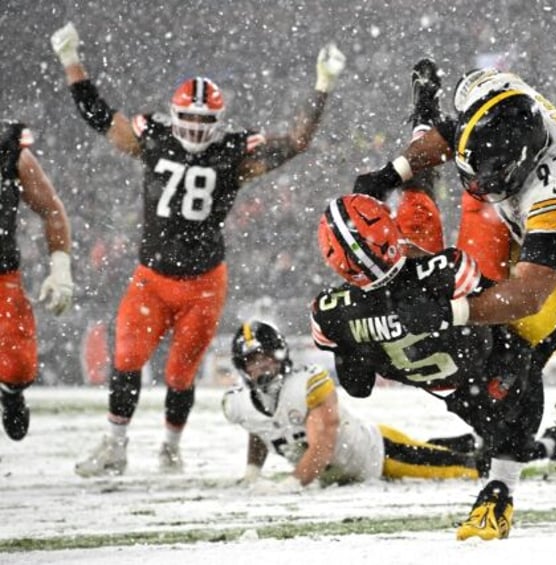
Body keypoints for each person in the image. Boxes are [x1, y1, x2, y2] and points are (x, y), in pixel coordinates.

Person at [350, 66, 556, 540]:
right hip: (522, 224)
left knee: (516, 354)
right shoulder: (498, 101)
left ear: (522, 162)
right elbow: (453, 135)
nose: (479, 184)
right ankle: (499, 434)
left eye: (490, 177)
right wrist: (394, 171)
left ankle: (500, 489)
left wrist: (452, 313)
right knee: (459, 305)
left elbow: (528, 296)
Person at [49, 22, 346, 476]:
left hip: (204, 282)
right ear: (173, 115)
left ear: (219, 124)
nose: (194, 128)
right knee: (126, 360)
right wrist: (71, 61)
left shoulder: (230, 153)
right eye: (188, 119)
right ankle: (115, 445)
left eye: (205, 122)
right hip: (152, 277)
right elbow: (100, 116)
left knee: (180, 374)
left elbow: (297, 142)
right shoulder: (153, 138)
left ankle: (170, 448)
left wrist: (322, 86)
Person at [224, 319, 493, 490]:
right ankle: (464, 442)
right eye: (251, 360)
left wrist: (293, 482)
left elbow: (323, 446)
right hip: (350, 464)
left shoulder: (306, 384)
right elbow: (259, 426)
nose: (260, 365)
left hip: (376, 455)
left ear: (280, 355)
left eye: (265, 357)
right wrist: (252, 471)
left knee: (467, 470)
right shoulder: (239, 403)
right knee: (428, 451)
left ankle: (508, 451)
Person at [0, 121, 74, 441]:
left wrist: (60, 267)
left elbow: (51, 208)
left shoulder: (8, 149)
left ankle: (11, 391)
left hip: (2, 272)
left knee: (18, 366)